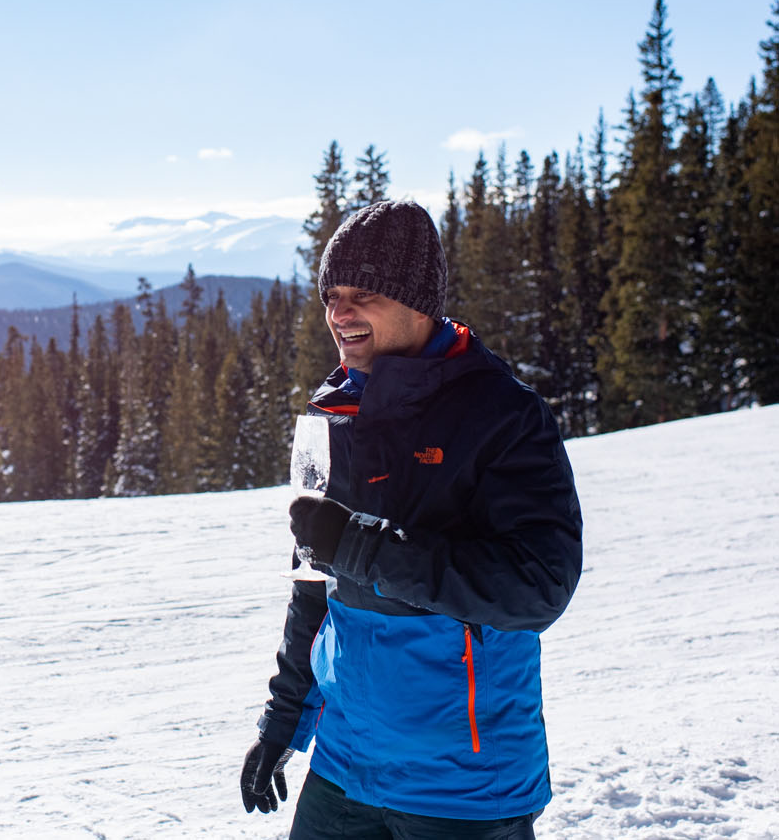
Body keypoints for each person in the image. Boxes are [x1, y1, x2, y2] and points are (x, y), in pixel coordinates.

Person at [240, 200, 582, 839]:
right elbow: (315, 585)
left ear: (419, 301)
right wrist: (285, 718)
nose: (340, 314)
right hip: (344, 765)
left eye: (362, 294)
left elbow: (539, 588)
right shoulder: (338, 411)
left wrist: (361, 548)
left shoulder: (502, 415)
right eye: (331, 296)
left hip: (462, 784)